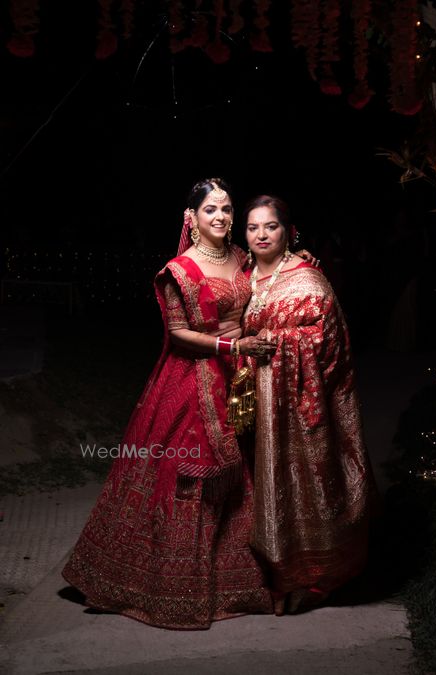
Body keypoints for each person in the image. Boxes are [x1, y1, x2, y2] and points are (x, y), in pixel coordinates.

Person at [62, 178, 278, 629]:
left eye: (226, 208)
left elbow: (272, 276)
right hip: (195, 377)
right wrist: (233, 346)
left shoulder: (241, 257)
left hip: (243, 378)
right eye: (210, 209)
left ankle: (239, 579)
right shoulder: (178, 270)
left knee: (243, 472)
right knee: (191, 475)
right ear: (191, 217)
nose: (221, 216)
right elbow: (178, 334)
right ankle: (175, 587)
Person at [242, 195, 374, 616]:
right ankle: (263, 574)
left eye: (271, 226)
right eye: (253, 227)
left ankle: (308, 577)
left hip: (297, 405)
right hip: (250, 400)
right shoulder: (242, 275)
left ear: (289, 231)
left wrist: (273, 343)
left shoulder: (308, 278)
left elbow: (330, 340)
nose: (262, 235)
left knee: (301, 485)